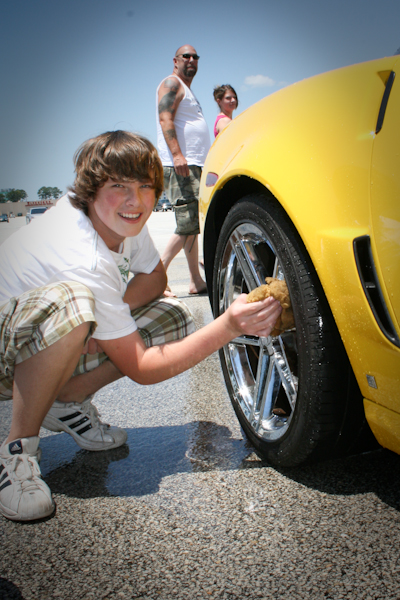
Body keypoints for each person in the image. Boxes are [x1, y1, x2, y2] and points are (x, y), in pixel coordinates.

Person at [0, 130, 282, 522]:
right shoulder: (82, 254)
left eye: (145, 186)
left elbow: (153, 278)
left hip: (45, 338)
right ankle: (17, 450)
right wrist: (227, 326)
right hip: (6, 354)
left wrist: (102, 316)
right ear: (90, 189)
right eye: (118, 186)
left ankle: (62, 402)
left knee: (173, 316)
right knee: (75, 300)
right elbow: (142, 368)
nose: (135, 201)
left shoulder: (122, 221)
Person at [156, 44, 210, 296]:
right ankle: (156, 276)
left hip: (192, 164)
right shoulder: (171, 83)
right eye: (185, 56)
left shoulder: (186, 89)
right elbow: (165, 118)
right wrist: (177, 155)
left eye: (195, 57)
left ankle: (195, 280)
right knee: (187, 224)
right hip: (180, 164)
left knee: (191, 225)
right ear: (175, 61)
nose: (191, 60)